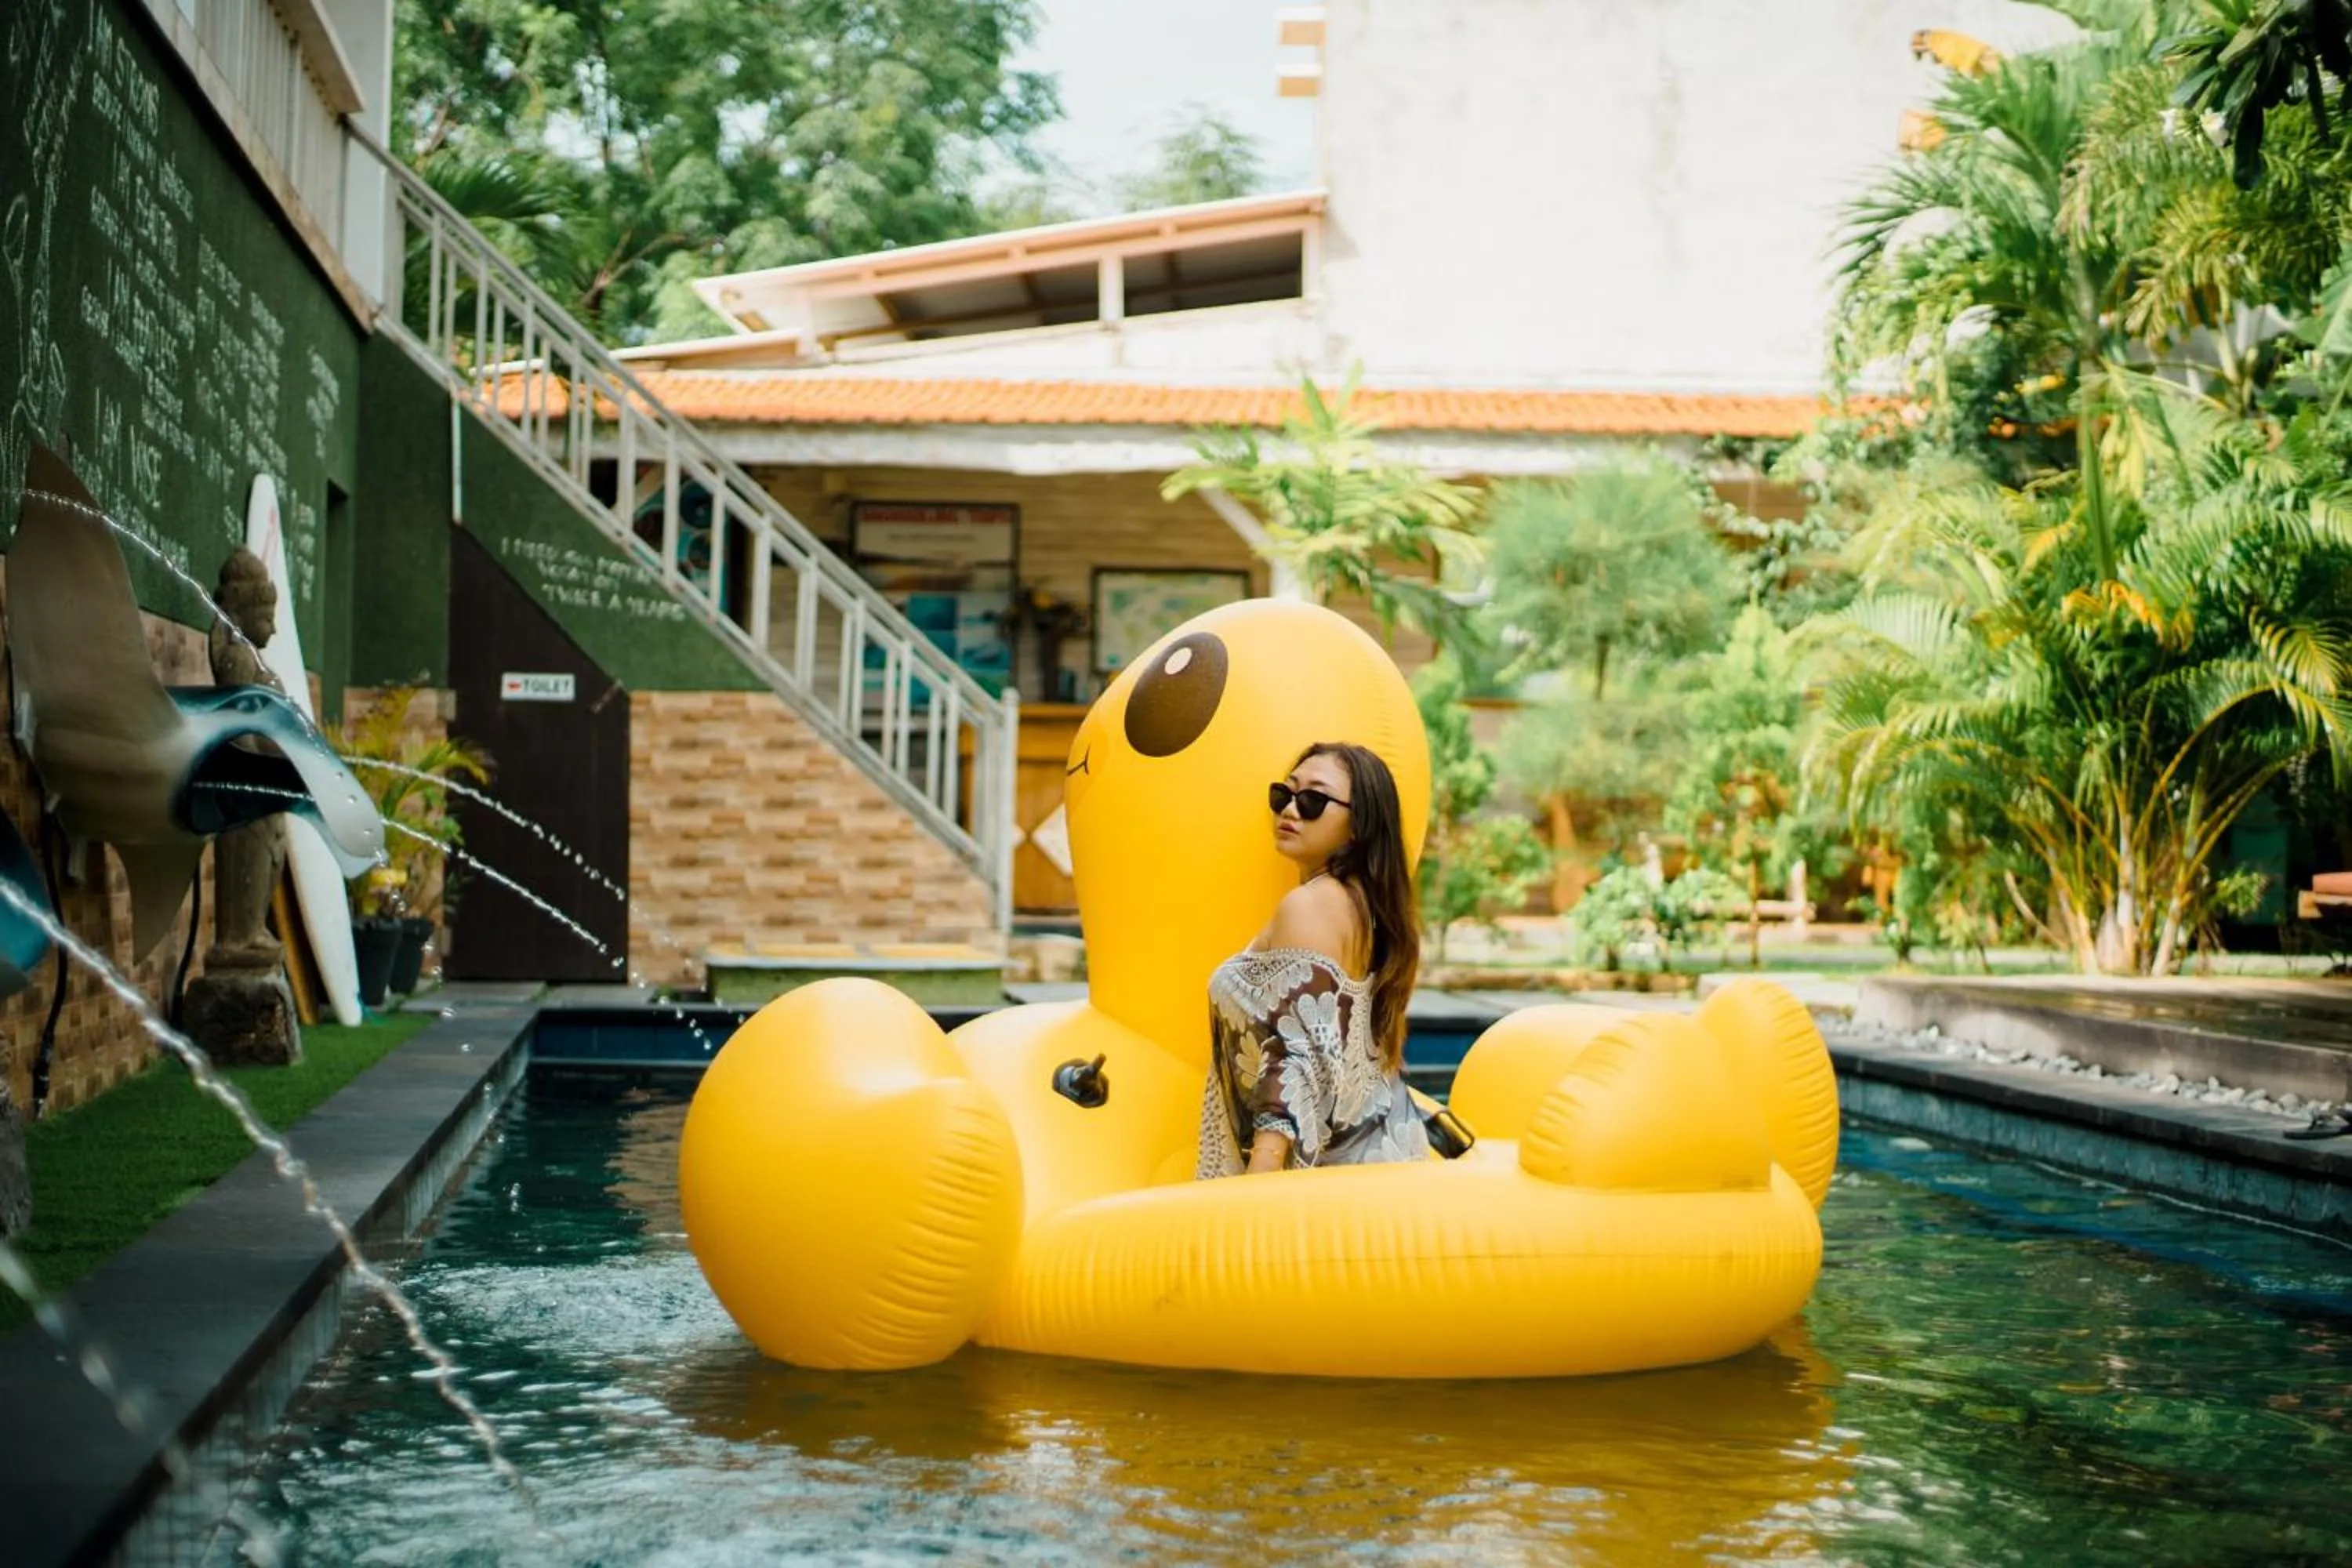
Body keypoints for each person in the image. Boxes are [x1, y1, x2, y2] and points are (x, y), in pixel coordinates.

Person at [1197, 742, 1432, 1177]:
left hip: (1337, 1182)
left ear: (1358, 824)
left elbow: (1292, 1063)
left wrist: (1255, 1189)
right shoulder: (1366, 908)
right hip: (1380, 1162)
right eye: (1283, 795)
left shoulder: (1311, 906)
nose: (1290, 810)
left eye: (1313, 800)